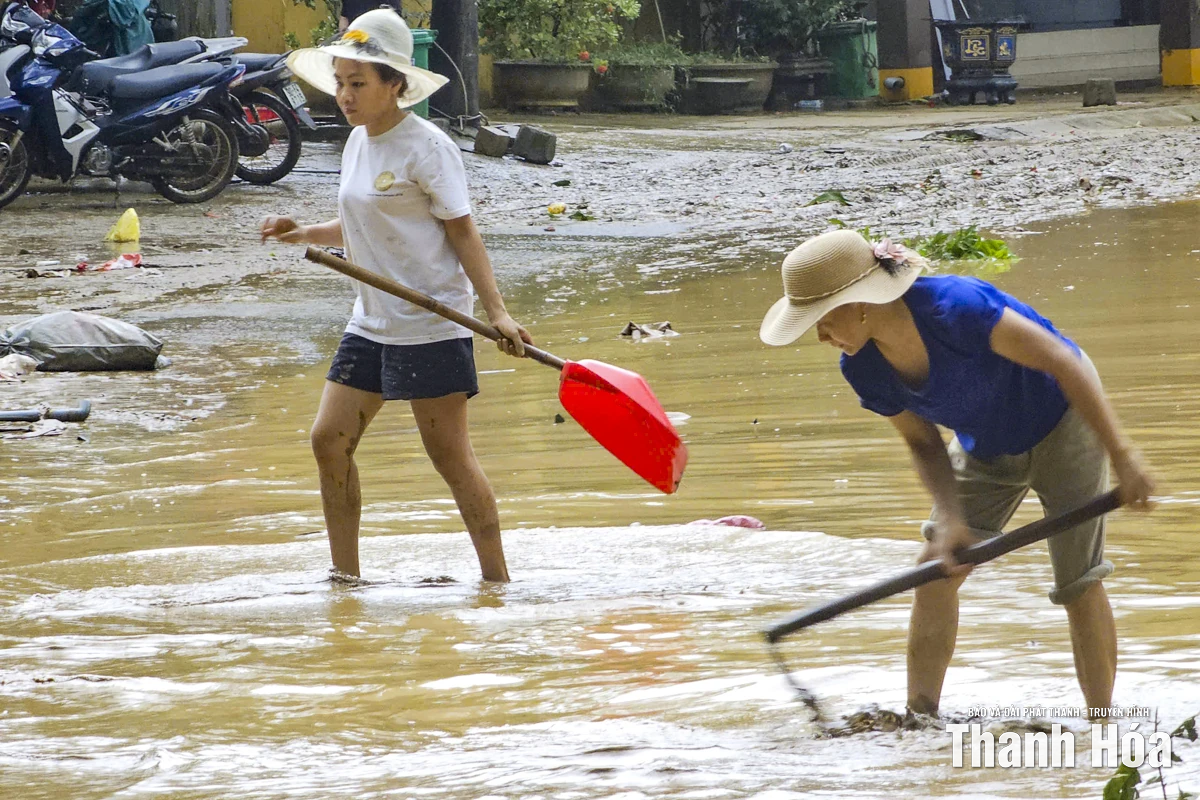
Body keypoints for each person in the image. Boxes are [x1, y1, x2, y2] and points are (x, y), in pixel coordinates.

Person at [759, 229, 1155, 716]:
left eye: (822, 319)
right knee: (933, 571)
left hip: (1065, 420)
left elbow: (1062, 361)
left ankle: (1102, 725)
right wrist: (950, 520)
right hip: (986, 443)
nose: (820, 335)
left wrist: (1123, 457)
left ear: (861, 303)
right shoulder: (862, 367)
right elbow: (923, 441)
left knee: (1078, 579)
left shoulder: (957, 309)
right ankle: (920, 722)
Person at [263, 9, 532, 583]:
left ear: (395, 85)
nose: (344, 95)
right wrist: (304, 232)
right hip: (372, 320)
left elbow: (461, 231)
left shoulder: (426, 148)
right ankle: (345, 580)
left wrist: (498, 313)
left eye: (357, 83)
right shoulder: (358, 142)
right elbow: (362, 221)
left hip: (432, 322)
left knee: (450, 459)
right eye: (339, 82)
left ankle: (497, 582)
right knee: (328, 441)